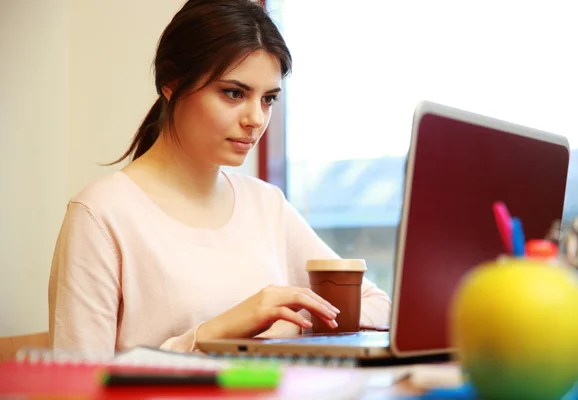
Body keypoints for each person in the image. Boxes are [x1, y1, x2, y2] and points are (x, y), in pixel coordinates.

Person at [48, 0, 391, 356]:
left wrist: (286, 322)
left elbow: (376, 304)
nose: (256, 119)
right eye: (234, 93)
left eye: (268, 98)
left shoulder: (265, 204)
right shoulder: (101, 215)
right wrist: (216, 333)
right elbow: (78, 386)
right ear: (171, 82)